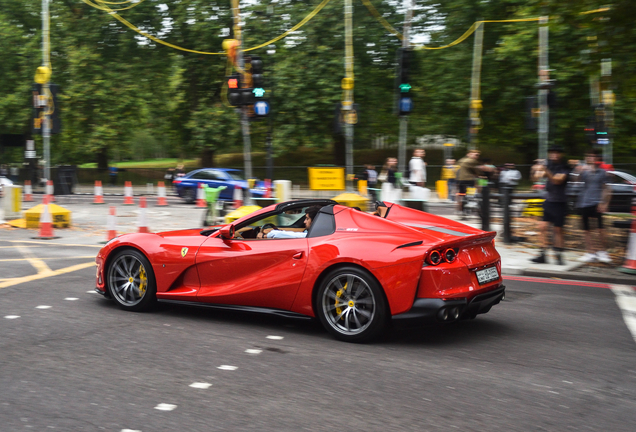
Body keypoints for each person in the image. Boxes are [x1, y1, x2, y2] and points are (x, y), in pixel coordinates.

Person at [531, 146, 571, 265]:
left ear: (561, 154)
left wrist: (545, 169)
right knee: (542, 227)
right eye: (552, 153)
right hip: (549, 201)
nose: (555, 155)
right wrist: (534, 170)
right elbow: (535, 178)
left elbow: (556, 180)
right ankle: (542, 254)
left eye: (557, 153)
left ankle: (558, 255)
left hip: (560, 202)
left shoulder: (564, 167)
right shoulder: (549, 165)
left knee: (557, 229)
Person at [574, 149, 612, 263]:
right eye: (589, 156)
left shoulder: (602, 172)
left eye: (593, 156)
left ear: (597, 158)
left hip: (597, 203)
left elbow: (607, 188)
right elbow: (575, 180)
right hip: (584, 202)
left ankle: (603, 252)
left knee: (600, 229)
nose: (591, 158)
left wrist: (604, 203)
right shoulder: (584, 171)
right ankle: (590, 252)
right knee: (586, 229)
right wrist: (578, 170)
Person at [455, 149, 491, 215]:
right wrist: (482, 175)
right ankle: (474, 199)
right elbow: (476, 170)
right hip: (469, 179)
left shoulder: (461, 160)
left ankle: (460, 208)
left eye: (478, 155)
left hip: (459, 179)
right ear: (469, 154)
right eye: (476, 155)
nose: (477, 156)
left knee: (461, 193)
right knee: (477, 186)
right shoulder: (472, 161)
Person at [257, 206, 321, 239]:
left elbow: (297, 236)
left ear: (314, 221)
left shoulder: (316, 235)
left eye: (307, 219)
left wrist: (265, 236)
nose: (304, 221)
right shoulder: (316, 232)